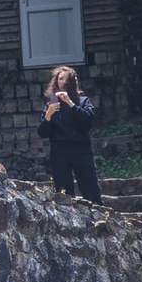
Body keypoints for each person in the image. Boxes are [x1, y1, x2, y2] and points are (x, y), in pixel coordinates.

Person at [38, 65, 103, 204]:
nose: (62, 82)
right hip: (59, 150)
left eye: (66, 79)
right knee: (63, 191)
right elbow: (42, 132)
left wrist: (70, 103)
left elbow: (88, 121)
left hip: (81, 148)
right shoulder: (51, 105)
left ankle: (100, 217)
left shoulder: (82, 101)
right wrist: (48, 115)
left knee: (90, 187)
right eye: (60, 79)